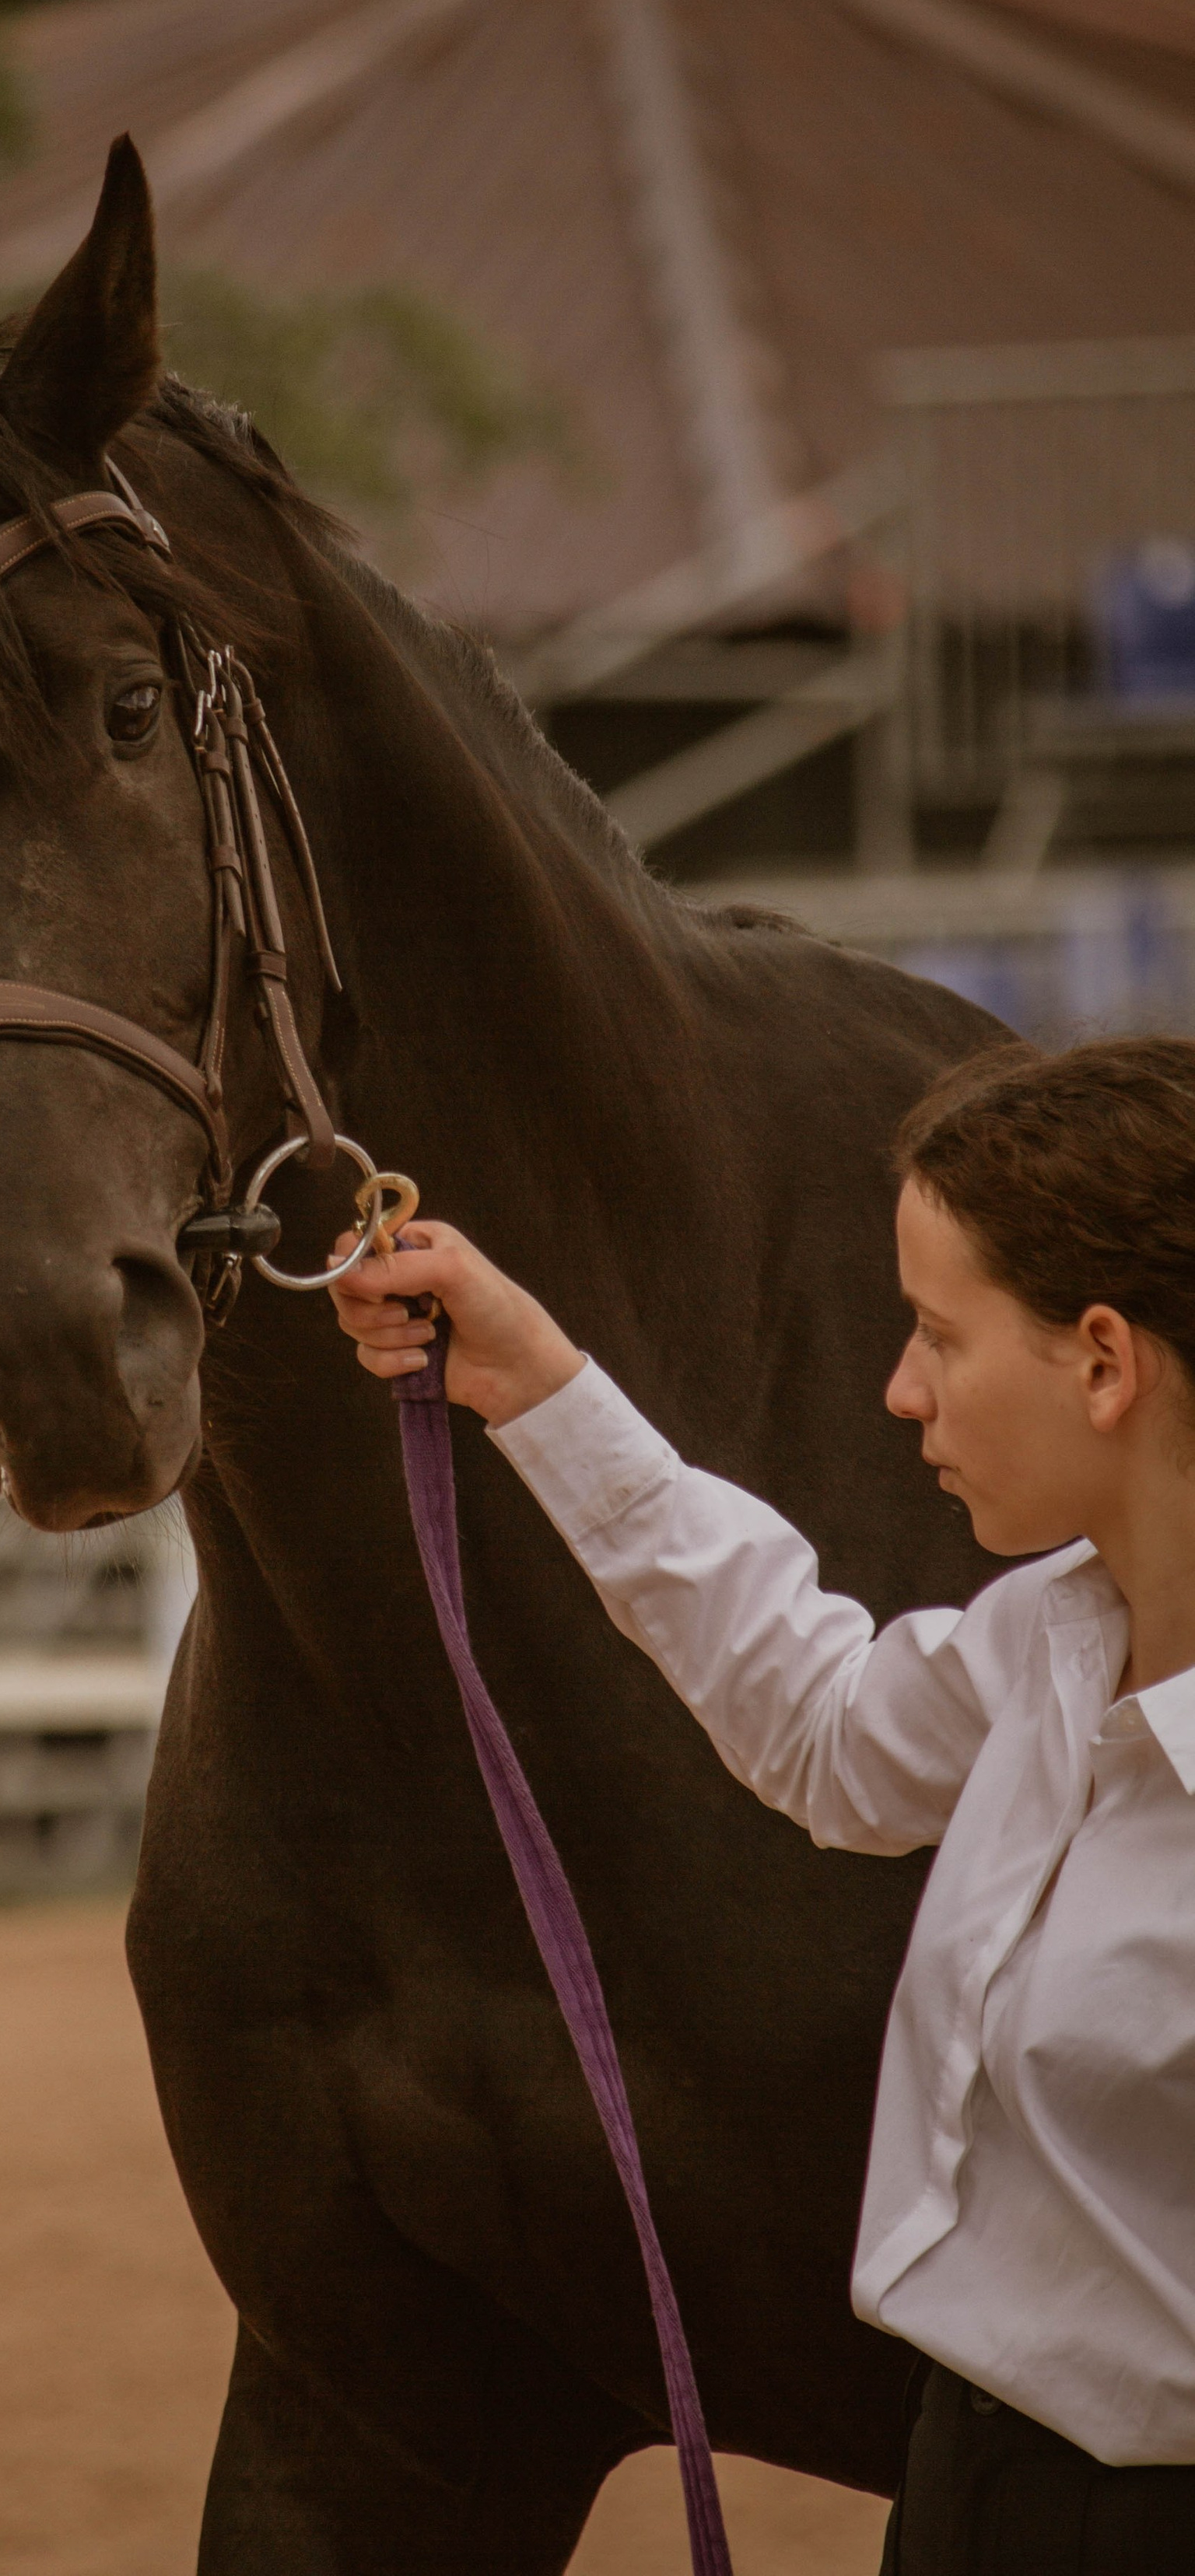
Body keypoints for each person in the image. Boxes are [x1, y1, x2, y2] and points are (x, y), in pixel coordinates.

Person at [329, 1035, 1195, 2575]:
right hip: (967, 2485)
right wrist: (531, 1379)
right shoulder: (1051, 1640)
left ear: (1104, 1364)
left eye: (938, 1334)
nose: (900, 1389)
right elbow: (823, 1724)